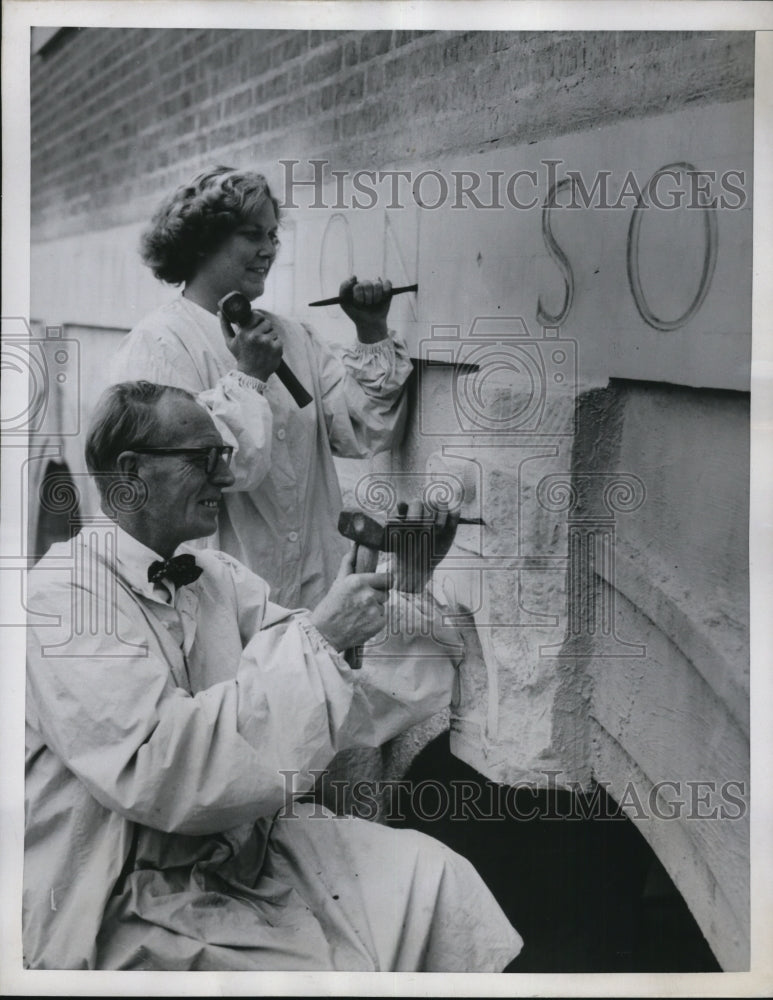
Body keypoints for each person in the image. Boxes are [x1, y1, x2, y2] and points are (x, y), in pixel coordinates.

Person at [24, 381, 522, 972]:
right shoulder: (59, 598)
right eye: (204, 459)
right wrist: (324, 638)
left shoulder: (217, 576)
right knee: (313, 969)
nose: (224, 477)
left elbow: (339, 699)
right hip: (125, 882)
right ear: (132, 471)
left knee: (434, 878)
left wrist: (401, 582)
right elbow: (164, 771)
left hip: (237, 843)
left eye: (225, 456)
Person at [111, 165, 413, 608]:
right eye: (253, 235)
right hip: (218, 607)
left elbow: (364, 429)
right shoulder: (158, 345)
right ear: (202, 241)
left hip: (311, 596)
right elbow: (205, 472)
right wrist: (249, 376)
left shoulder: (292, 337)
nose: (268, 250)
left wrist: (371, 330)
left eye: (273, 236)